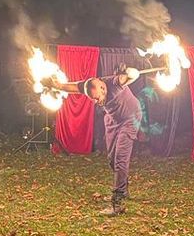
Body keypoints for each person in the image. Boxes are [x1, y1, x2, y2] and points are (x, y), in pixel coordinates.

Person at [51, 65, 142, 215]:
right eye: (92, 99)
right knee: (112, 159)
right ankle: (124, 189)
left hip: (130, 118)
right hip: (113, 120)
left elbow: (130, 76)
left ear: (102, 87)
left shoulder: (115, 83)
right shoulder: (90, 85)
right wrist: (57, 85)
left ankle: (117, 203)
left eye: (96, 97)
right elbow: (72, 87)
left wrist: (132, 72)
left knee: (120, 158)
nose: (95, 101)